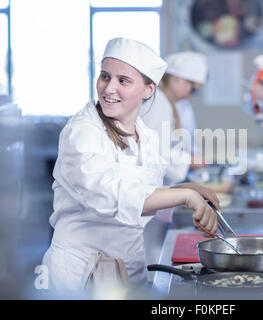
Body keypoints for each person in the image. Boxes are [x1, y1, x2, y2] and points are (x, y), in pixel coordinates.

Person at [41, 38, 219, 297]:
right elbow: (108, 194)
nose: (109, 88)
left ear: (148, 90)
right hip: (81, 274)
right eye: (105, 76)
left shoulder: (144, 135)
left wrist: (185, 188)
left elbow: (144, 192)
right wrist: (184, 196)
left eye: (123, 81)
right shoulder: (83, 131)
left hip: (128, 268)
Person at [141, 51, 208, 186]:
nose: (190, 96)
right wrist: (189, 160)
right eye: (193, 89)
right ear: (177, 79)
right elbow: (153, 149)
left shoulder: (168, 102)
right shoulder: (157, 102)